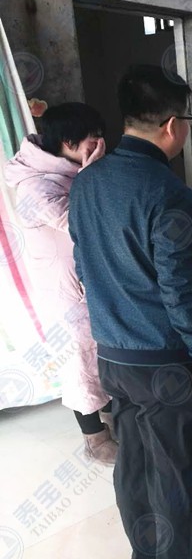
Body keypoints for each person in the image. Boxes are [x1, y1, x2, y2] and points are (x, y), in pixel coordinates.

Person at [69, 65, 192, 559]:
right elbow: (181, 290)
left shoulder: (87, 183)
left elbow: (83, 266)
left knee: (134, 461)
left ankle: (146, 548)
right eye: (187, 121)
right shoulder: (169, 192)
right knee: (176, 471)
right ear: (172, 125)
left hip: (113, 356)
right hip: (165, 363)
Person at [5, 102, 117, 464]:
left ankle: (112, 417)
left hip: (89, 284)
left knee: (103, 354)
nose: (100, 144)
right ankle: (95, 440)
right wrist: (94, 174)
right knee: (79, 362)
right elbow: (82, 223)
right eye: (93, 137)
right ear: (68, 142)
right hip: (65, 293)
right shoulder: (35, 187)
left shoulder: (74, 172)